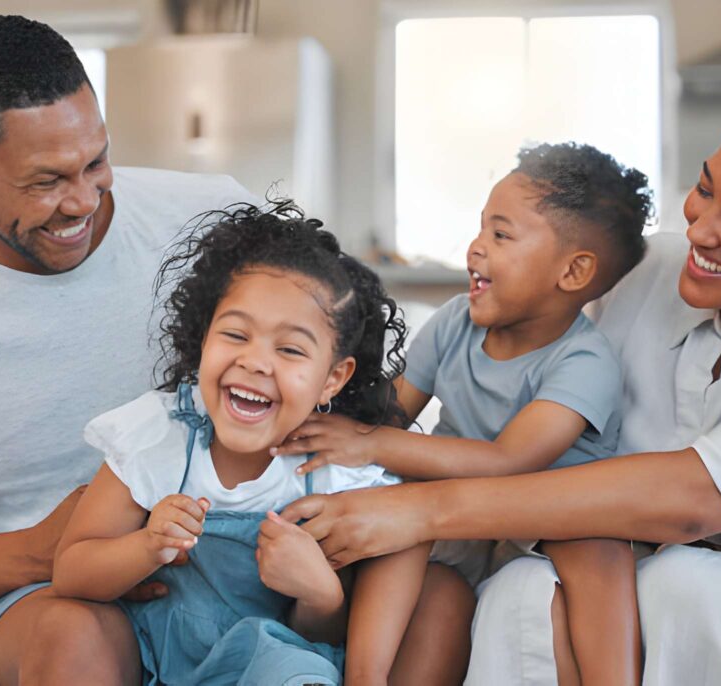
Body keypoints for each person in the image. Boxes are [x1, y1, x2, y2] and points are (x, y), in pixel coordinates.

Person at [281, 88, 721, 685]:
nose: (700, 229)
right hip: (571, 561)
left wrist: (419, 508)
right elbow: (540, 298)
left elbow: (687, 499)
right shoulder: (649, 271)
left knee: (682, 586)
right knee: (519, 587)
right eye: (705, 190)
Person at [0, 15, 254, 685]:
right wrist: (48, 550)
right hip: (43, 599)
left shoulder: (213, 216)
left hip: (231, 554)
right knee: (72, 638)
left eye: (96, 163)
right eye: (44, 182)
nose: (82, 202)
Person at [273, 142, 651, 685]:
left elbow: (509, 461)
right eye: (480, 228)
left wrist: (371, 442)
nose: (475, 247)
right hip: (452, 523)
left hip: (547, 521)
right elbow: (391, 412)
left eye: (501, 235)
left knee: (600, 545)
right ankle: (364, 675)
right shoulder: (456, 322)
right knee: (414, 543)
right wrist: (334, 419)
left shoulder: (584, 362)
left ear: (572, 271)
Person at [52, 204, 430, 685]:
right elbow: (72, 573)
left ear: (333, 378)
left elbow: (323, 639)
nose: (255, 362)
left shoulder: (336, 475)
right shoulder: (162, 434)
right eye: (235, 334)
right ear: (204, 338)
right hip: (150, 655)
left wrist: (321, 595)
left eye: (290, 349)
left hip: (272, 665)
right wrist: (146, 546)